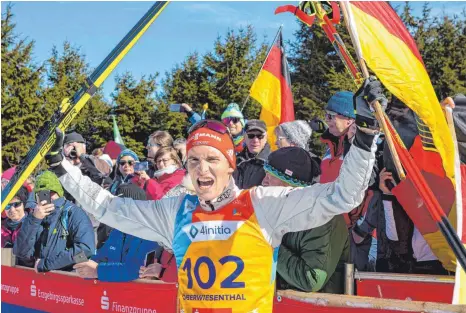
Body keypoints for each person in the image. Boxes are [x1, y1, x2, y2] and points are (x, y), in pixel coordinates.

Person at [45, 77, 382, 313]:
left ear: (230, 164)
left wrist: (365, 136)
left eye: (211, 160)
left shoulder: (262, 205)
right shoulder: (175, 212)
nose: (202, 170)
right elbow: (108, 207)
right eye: (193, 161)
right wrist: (63, 168)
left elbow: (343, 197)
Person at [262, 147, 349, 294]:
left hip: (318, 306)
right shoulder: (275, 209)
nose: (264, 181)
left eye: (270, 176)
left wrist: (269, 244)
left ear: (289, 184)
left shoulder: (322, 217)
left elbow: (311, 280)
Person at [74, 184, 161, 282]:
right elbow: (102, 256)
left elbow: (137, 271)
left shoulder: (150, 235)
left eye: (120, 205)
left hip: (136, 294)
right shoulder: (118, 231)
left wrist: (98, 271)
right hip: (112, 293)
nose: (115, 210)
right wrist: (85, 265)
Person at [13, 171, 95, 273]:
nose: (47, 197)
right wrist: (34, 219)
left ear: (59, 193)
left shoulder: (74, 214)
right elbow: (20, 252)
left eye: (51, 192)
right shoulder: (34, 217)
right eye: (42, 193)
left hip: (68, 279)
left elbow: (86, 251)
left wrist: (47, 264)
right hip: (37, 279)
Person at [97, 148, 141, 248]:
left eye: (131, 162)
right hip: (111, 230)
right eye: (122, 163)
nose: (126, 166)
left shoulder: (143, 181)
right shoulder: (113, 184)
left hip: (132, 231)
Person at [233, 120, 271, 189]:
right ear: (244, 137)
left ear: (266, 137)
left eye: (260, 136)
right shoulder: (235, 161)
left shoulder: (273, 165)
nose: (255, 140)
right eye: (251, 136)